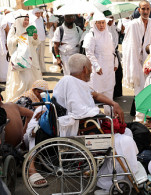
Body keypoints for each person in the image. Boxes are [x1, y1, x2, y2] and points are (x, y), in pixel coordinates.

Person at [24, 54, 138, 190]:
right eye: (90, 68)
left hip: (81, 126)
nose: (91, 70)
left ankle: (123, 173)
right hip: (76, 130)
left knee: (128, 132)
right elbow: (79, 112)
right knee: (125, 140)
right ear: (85, 69)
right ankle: (112, 181)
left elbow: (94, 94)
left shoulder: (73, 82)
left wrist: (114, 104)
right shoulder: (71, 83)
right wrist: (100, 115)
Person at [122, 0, 151, 121]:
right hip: (137, 63)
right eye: (143, 9)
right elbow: (128, 45)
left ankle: (148, 118)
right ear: (139, 10)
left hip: (150, 63)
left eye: (148, 9)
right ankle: (139, 119)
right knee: (139, 92)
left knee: (150, 91)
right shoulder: (133, 24)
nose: (146, 11)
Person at [83, 12, 117, 116]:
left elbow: (113, 51)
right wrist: (97, 66)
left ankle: (110, 119)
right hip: (97, 71)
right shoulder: (91, 35)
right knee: (95, 94)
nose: (102, 25)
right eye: (99, 23)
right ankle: (95, 118)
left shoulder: (109, 35)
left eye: (103, 22)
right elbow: (89, 53)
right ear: (94, 23)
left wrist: (116, 63)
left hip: (109, 70)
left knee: (109, 94)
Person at [5, 10, 42, 102]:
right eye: (25, 20)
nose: (26, 22)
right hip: (20, 59)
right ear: (20, 20)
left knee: (32, 80)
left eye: (28, 20)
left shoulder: (30, 29)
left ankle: (30, 100)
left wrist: (35, 38)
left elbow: (35, 43)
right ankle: (21, 99)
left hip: (31, 58)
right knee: (25, 80)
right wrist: (19, 37)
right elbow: (9, 43)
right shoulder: (14, 29)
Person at [31, 8, 47, 73]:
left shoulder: (41, 19)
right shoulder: (32, 21)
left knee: (41, 55)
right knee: (36, 56)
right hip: (35, 41)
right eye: (36, 13)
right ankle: (37, 70)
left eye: (39, 13)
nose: (38, 14)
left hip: (42, 40)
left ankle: (42, 69)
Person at [0, 15, 8, 82]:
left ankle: (3, 78)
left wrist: (7, 42)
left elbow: (7, 30)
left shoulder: (2, 17)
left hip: (1, 43)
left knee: (3, 61)